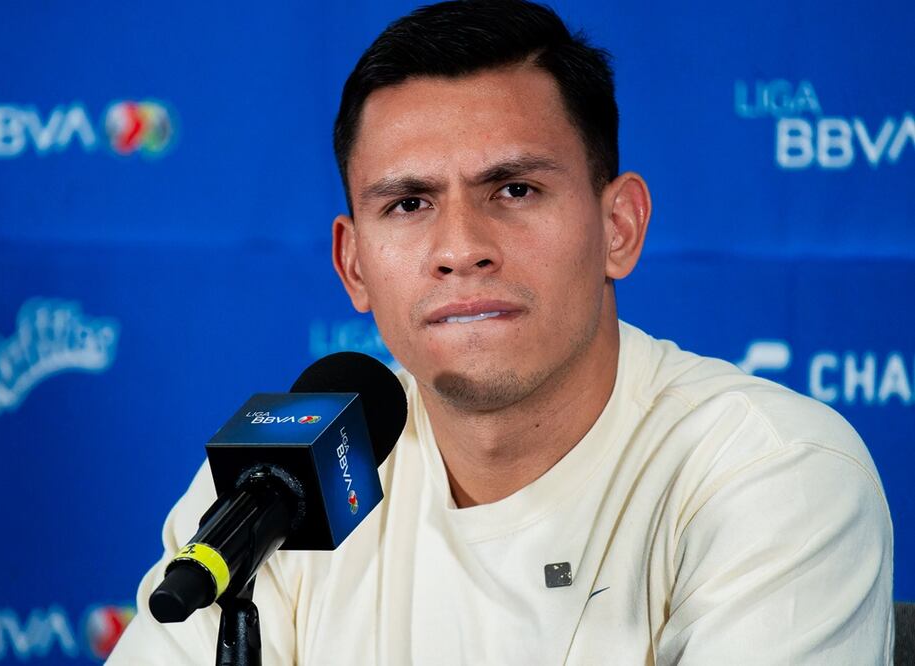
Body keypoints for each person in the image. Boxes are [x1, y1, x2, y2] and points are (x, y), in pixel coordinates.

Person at [108, 1, 894, 663]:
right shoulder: (276, 485)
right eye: (408, 204)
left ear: (618, 226)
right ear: (352, 265)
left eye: (513, 188)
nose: (459, 248)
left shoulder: (773, 473)